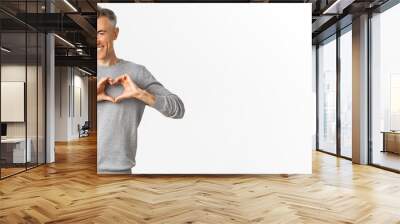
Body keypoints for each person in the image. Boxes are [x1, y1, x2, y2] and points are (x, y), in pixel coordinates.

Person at [97, 7, 185, 174]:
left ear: (115, 34)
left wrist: (140, 94)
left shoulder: (136, 73)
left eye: (101, 33)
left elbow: (178, 108)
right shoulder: (80, 71)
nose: (95, 40)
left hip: (119, 174)